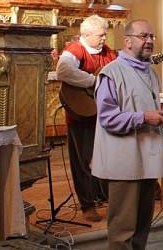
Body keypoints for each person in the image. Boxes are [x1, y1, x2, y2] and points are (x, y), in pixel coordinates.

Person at [91, 19, 163, 250]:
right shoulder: (111, 73)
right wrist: (144, 117)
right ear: (127, 41)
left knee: (142, 226)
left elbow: (145, 109)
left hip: (147, 159)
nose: (150, 41)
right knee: (123, 229)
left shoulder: (151, 73)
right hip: (124, 161)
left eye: (152, 37)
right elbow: (108, 118)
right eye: (144, 36)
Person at [56, 14, 116, 222]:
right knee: (82, 160)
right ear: (87, 35)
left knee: (107, 158)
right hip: (82, 113)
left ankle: (106, 197)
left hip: (104, 115)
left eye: (105, 34)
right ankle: (87, 205)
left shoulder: (109, 53)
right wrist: (93, 81)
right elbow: (63, 71)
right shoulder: (75, 50)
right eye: (101, 35)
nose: (104, 39)